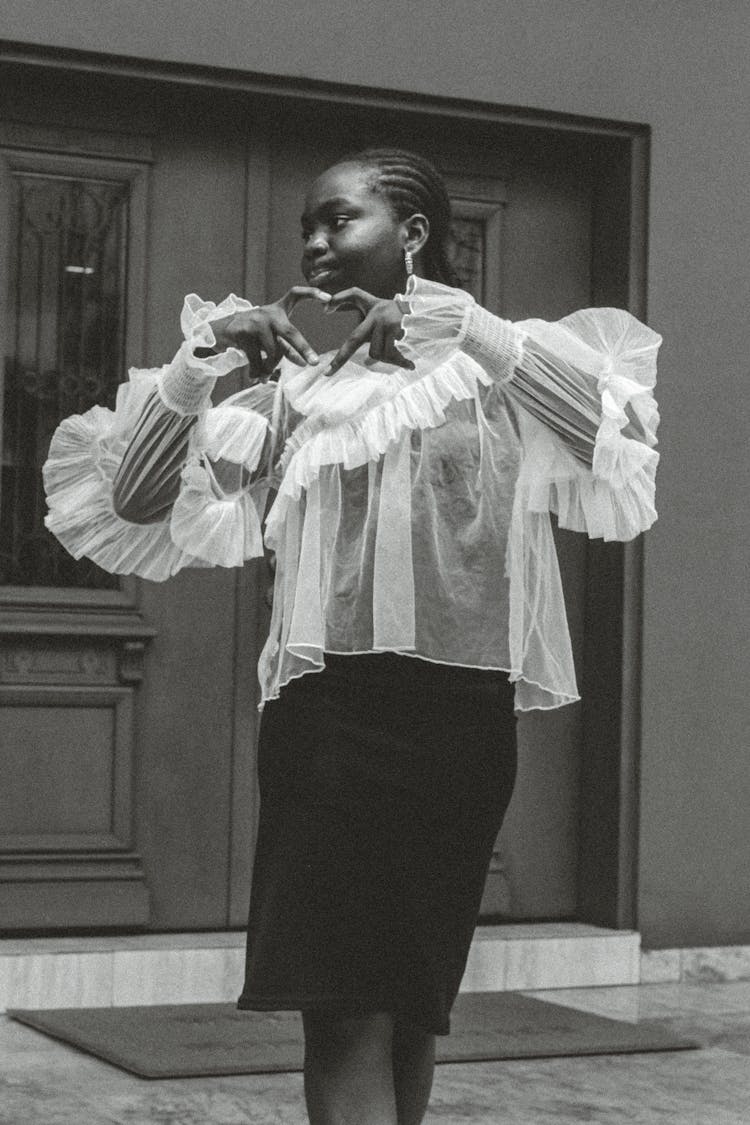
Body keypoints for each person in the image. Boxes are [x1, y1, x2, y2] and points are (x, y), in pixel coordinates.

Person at [43, 148, 660, 1125]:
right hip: (326, 725)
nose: (317, 243)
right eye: (309, 228)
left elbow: (612, 443)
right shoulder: (301, 393)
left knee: (410, 1009)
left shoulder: (501, 360)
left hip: (458, 726)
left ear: (413, 234)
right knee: (340, 1013)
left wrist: (464, 325)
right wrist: (197, 370)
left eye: (341, 220)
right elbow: (135, 497)